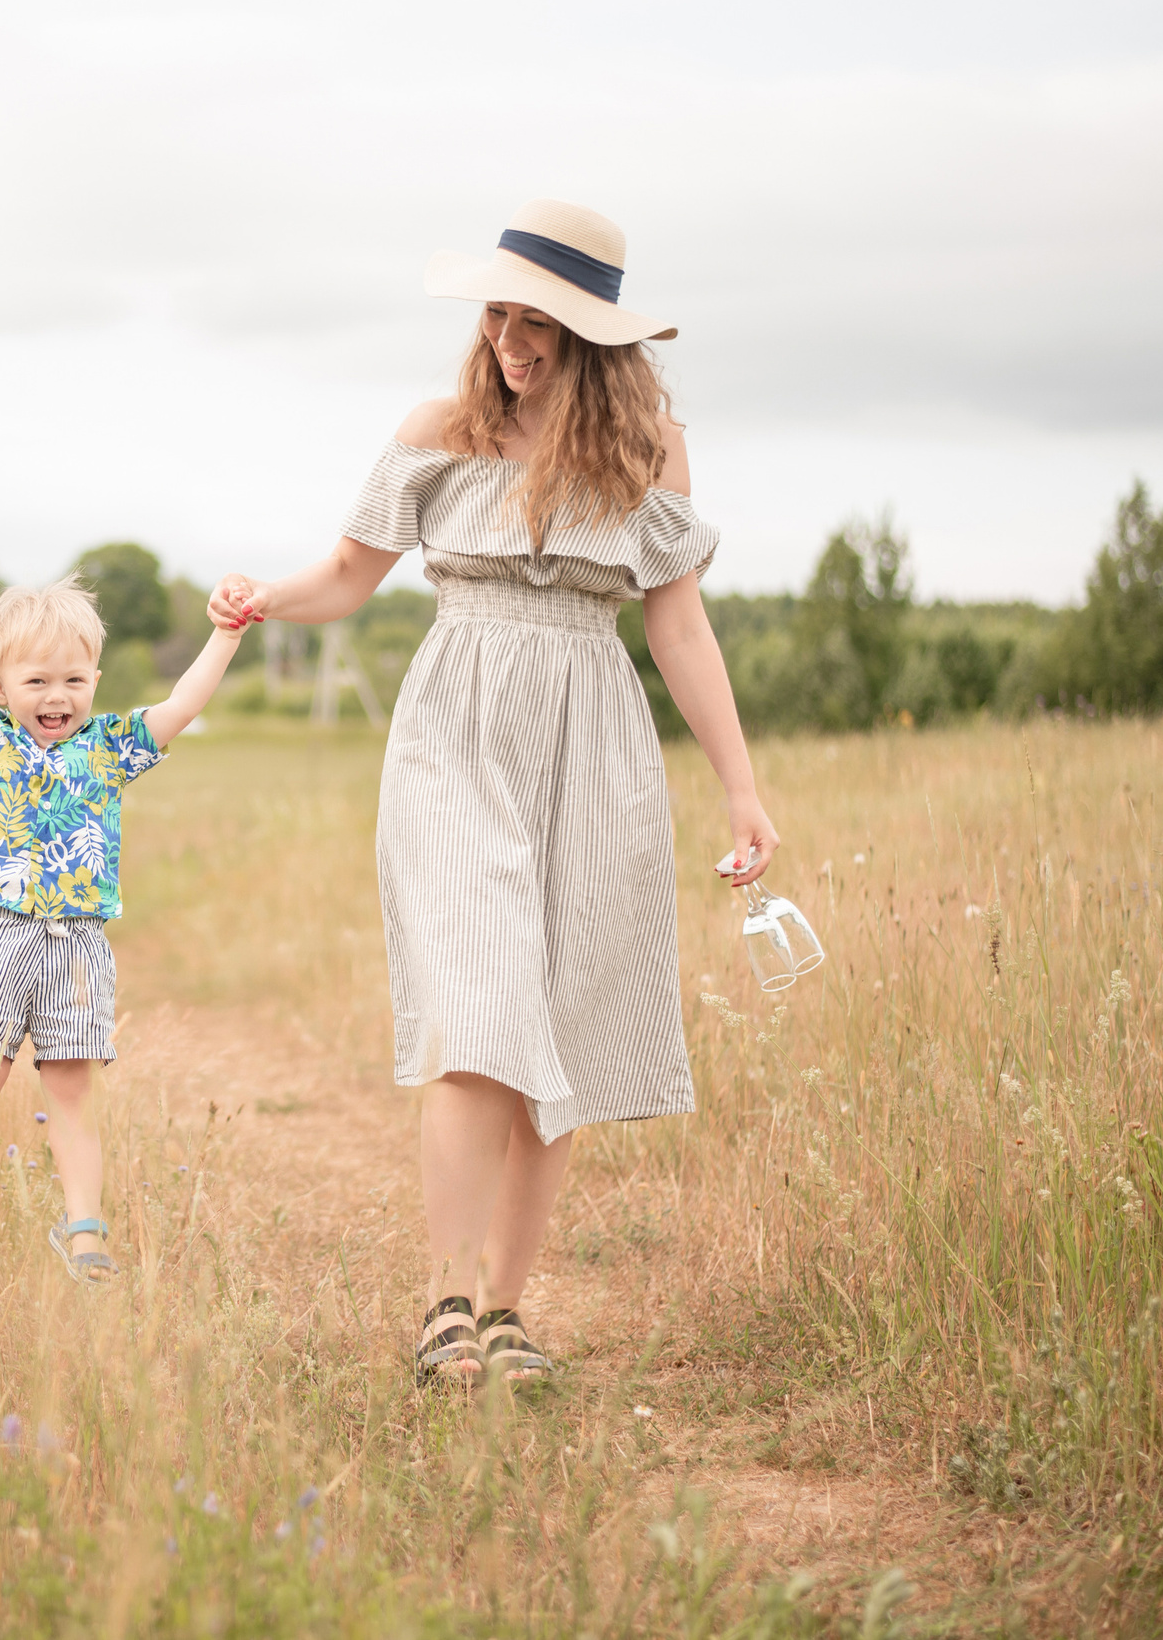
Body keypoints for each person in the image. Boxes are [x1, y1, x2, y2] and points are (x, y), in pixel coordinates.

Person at [209, 199, 779, 1386]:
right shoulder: (443, 428)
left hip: (592, 732)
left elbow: (677, 625)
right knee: (476, 1009)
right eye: (500, 315)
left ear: (597, 341)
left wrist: (741, 789)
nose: (511, 342)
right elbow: (349, 574)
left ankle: (507, 1309)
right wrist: (261, 596)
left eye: (539, 325)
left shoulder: (651, 450)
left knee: (554, 1023)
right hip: (457, 724)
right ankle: (446, 1305)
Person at [0, 570, 243, 1282]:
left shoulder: (110, 747)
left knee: (72, 1088)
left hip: (77, 946)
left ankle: (84, 1223)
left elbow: (182, 703)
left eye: (75, 679)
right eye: (37, 682)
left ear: (93, 678)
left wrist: (225, 634)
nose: (58, 697)